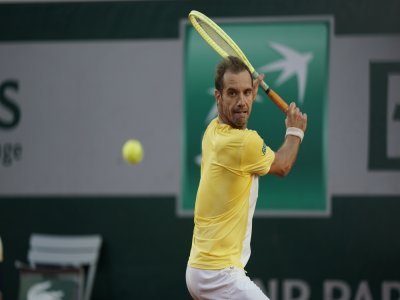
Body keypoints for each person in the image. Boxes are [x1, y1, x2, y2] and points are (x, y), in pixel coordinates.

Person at [186, 56, 308, 300]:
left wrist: (243, 98)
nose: (241, 101)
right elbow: (282, 165)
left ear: (253, 94)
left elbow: (238, 115)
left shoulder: (213, 129)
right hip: (218, 275)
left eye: (246, 93)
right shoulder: (243, 143)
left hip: (200, 269)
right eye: (232, 93)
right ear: (218, 97)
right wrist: (295, 131)